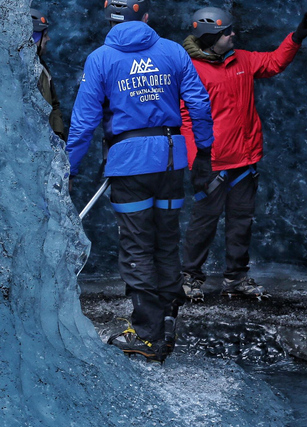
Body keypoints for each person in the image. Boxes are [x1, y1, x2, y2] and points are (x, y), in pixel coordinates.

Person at [67, 0, 214, 362]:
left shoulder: (100, 59)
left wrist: (67, 170)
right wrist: (205, 154)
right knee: (165, 241)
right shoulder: (173, 52)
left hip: (130, 162)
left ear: (110, 19)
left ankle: (146, 335)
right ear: (145, 17)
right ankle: (165, 322)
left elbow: (84, 123)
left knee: (136, 246)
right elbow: (199, 103)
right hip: (170, 160)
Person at [179, 8, 307, 301]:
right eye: (226, 32)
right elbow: (185, 119)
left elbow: (273, 62)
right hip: (212, 164)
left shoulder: (241, 58)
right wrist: (196, 160)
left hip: (244, 160)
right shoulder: (190, 69)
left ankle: (236, 278)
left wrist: (294, 39)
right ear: (210, 37)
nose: (233, 35)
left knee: (241, 222)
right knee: (204, 223)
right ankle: (190, 277)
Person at [31, 8, 65, 141]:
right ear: (35, 38)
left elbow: (54, 106)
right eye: (44, 35)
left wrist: (58, 135)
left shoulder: (43, 69)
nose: (48, 39)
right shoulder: (13, 70)